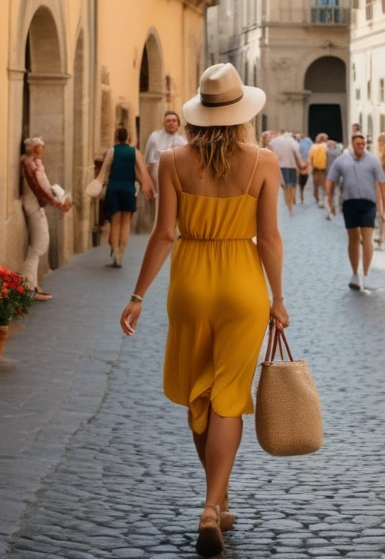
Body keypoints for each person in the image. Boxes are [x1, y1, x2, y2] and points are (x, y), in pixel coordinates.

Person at [119, 64, 287, 557]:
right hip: (242, 284)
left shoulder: (170, 161)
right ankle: (214, 506)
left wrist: (137, 295)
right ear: (242, 115)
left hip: (190, 283)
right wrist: (278, 298)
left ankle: (217, 497)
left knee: (199, 395)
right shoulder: (264, 162)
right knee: (227, 395)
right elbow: (270, 238)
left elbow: (164, 234)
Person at [326, 132, 385, 290]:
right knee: (353, 238)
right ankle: (354, 273)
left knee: (367, 238)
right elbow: (331, 179)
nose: (361, 146)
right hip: (350, 203)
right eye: (358, 143)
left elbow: (382, 182)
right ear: (352, 144)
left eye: (363, 143)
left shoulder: (373, 160)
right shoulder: (342, 160)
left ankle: (366, 275)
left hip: (368, 203)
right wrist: (329, 200)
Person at [20, 137, 72, 301]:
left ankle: (31, 284)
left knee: (41, 243)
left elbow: (45, 187)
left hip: (37, 205)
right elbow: (36, 188)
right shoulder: (29, 164)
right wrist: (56, 203)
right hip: (33, 205)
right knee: (38, 245)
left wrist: (59, 196)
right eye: (38, 149)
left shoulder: (36, 163)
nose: (41, 152)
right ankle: (28, 286)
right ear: (32, 149)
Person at [98, 128, 154, 267]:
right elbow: (141, 172)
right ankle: (122, 254)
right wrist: (146, 185)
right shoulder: (135, 152)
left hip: (113, 189)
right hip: (129, 190)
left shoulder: (112, 151)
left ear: (116, 137)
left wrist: (100, 183)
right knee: (126, 223)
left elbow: (104, 170)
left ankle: (115, 253)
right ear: (129, 138)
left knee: (115, 222)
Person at [144, 111, 188, 195]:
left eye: (174, 121)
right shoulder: (155, 137)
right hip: (157, 181)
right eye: (168, 121)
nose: (171, 123)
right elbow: (148, 161)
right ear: (164, 123)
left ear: (178, 123)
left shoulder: (183, 141)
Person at [268, 131, 304, 216]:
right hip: (290, 166)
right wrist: (301, 164)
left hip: (278, 165)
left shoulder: (274, 141)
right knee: (290, 185)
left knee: (284, 186)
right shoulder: (291, 141)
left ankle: (288, 202)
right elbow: (297, 152)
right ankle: (290, 205)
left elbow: (269, 152)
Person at [324, 138, 344, 219]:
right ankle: (334, 208)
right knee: (335, 191)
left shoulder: (326, 150)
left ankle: (331, 209)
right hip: (335, 173)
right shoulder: (339, 149)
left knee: (330, 192)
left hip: (330, 173)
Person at [308, 133, 329, 207]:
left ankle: (318, 198)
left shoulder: (313, 147)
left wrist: (310, 169)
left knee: (316, 185)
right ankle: (324, 199)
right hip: (325, 169)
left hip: (316, 169)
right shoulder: (327, 147)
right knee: (324, 185)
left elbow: (310, 158)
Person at [297, 132, 314, 204]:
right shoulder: (310, 143)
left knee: (301, 180)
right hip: (306, 163)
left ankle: (301, 193)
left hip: (301, 163)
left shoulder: (300, 143)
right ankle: (301, 193)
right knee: (303, 179)